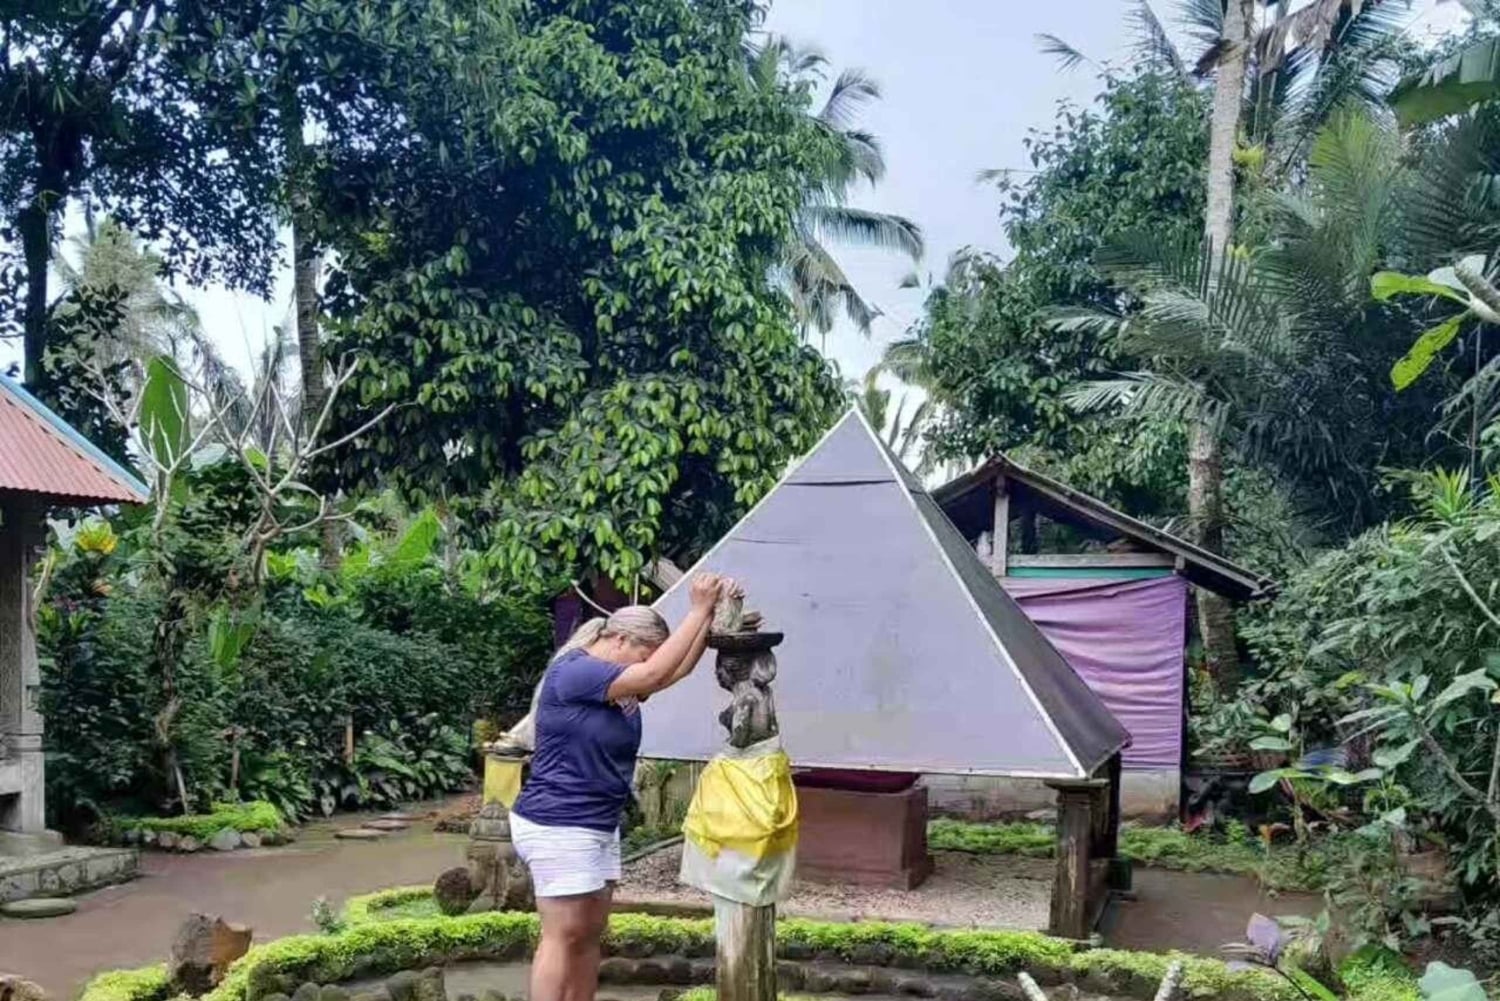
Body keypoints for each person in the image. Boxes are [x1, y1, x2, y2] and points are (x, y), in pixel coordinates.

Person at [511, 573, 736, 1001]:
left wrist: (709, 617)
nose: (643, 667)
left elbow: (672, 671)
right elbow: (654, 673)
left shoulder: (617, 682)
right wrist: (696, 609)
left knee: (589, 932)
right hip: (559, 821)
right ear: (619, 640)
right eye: (642, 655)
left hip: (596, 822)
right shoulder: (577, 671)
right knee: (563, 932)